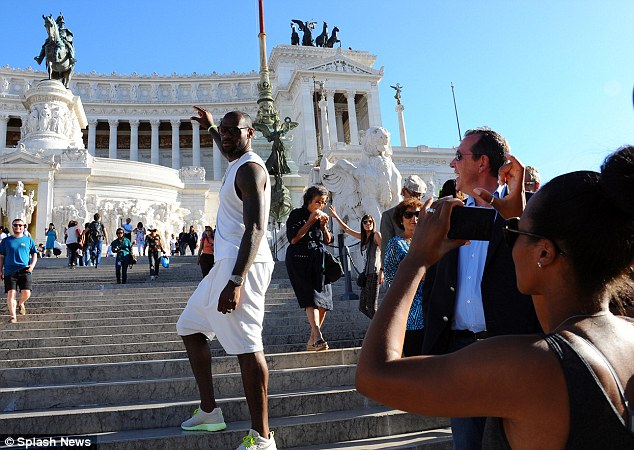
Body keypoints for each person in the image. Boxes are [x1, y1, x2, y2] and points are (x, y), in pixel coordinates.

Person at [356, 148, 634, 449]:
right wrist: (519, 217)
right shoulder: (628, 332)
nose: (507, 241)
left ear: (544, 253)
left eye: (514, 231)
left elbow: (374, 375)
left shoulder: (528, 366)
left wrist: (416, 260)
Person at [421, 128, 540, 448]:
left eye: (459, 156)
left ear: (482, 162)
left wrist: (521, 218)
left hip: (510, 353)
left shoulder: (526, 217)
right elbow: (433, 286)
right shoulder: (449, 217)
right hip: (460, 355)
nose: (452, 164)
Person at [177, 108, 277, 450]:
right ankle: (209, 412)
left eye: (234, 130)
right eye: (224, 130)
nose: (227, 135)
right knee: (189, 326)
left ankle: (262, 438)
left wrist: (236, 280)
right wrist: (210, 129)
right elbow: (226, 145)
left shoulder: (250, 169)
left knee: (248, 347)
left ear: (251, 134)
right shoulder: (236, 161)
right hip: (224, 265)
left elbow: (257, 227)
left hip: (242, 266)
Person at [285, 185, 333, 352]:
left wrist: (324, 226)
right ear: (308, 201)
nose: (321, 206)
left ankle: (312, 339)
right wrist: (311, 220)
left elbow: (327, 241)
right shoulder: (297, 214)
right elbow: (293, 238)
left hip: (318, 260)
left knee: (324, 301)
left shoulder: (321, 218)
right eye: (317, 202)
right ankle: (318, 336)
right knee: (310, 299)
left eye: (323, 202)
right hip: (300, 259)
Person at [382, 198, 425, 356]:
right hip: (410, 316)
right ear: (401, 219)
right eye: (409, 215)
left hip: (430, 312)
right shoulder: (396, 244)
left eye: (418, 214)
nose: (414, 219)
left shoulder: (425, 242)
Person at [330, 206, 383, 319]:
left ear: (373, 223)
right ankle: (378, 327)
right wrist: (336, 217)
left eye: (370, 221)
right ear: (362, 224)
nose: (368, 223)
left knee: (372, 306)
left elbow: (384, 252)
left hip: (374, 274)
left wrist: (382, 271)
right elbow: (347, 229)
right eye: (365, 222)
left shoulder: (376, 235)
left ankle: (380, 330)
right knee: (362, 307)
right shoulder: (363, 237)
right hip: (366, 275)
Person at [0, 218, 37, 323]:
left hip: (24, 269)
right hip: (9, 270)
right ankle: (13, 316)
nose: (17, 227)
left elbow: (34, 253)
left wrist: (32, 265)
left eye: (20, 225)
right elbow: (1, 256)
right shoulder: (6, 241)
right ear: (12, 227)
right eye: (15, 225)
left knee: (27, 293)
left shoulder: (28, 240)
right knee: (11, 293)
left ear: (24, 227)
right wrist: (0, 270)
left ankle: (20, 303)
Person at [379, 175, 426, 258]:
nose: (417, 198)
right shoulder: (388, 216)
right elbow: (386, 250)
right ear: (403, 191)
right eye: (414, 194)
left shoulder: (425, 214)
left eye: (420, 195)